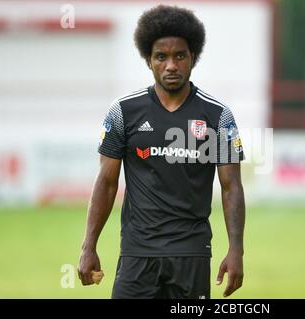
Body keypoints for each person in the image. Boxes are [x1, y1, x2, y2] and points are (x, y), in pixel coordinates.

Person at [78, 4, 246, 299]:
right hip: (137, 255)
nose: (171, 65)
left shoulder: (218, 116)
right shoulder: (123, 112)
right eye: (161, 57)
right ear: (148, 60)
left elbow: (231, 186)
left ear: (193, 57)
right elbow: (106, 182)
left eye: (179, 56)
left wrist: (236, 250)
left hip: (191, 254)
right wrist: (88, 246)